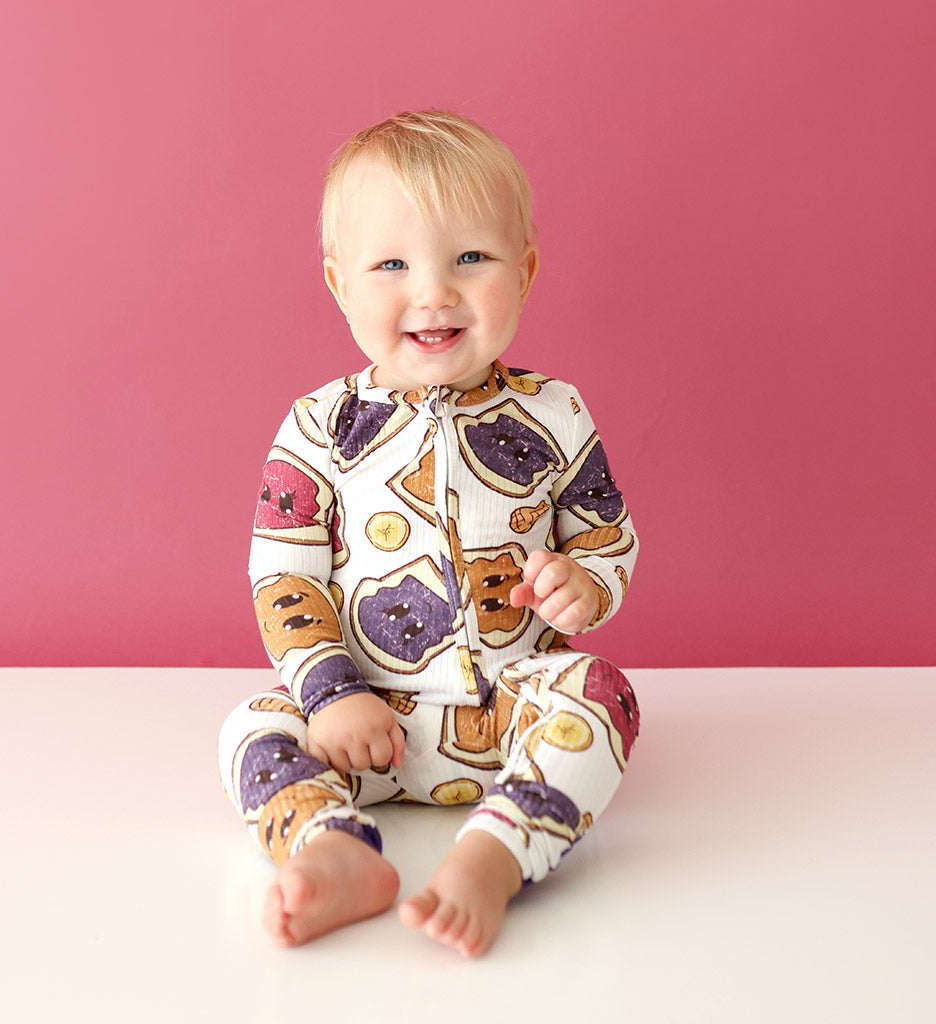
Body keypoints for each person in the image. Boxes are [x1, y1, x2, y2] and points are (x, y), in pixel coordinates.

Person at [218, 110, 639, 957]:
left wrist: (587, 585)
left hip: (514, 708)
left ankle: (495, 854)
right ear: (340, 285)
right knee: (249, 730)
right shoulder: (318, 427)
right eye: (392, 265)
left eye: (471, 258)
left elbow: (605, 534)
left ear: (524, 271)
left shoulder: (556, 414)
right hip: (365, 722)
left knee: (604, 696)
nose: (435, 292)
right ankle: (332, 849)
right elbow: (283, 578)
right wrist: (330, 694)